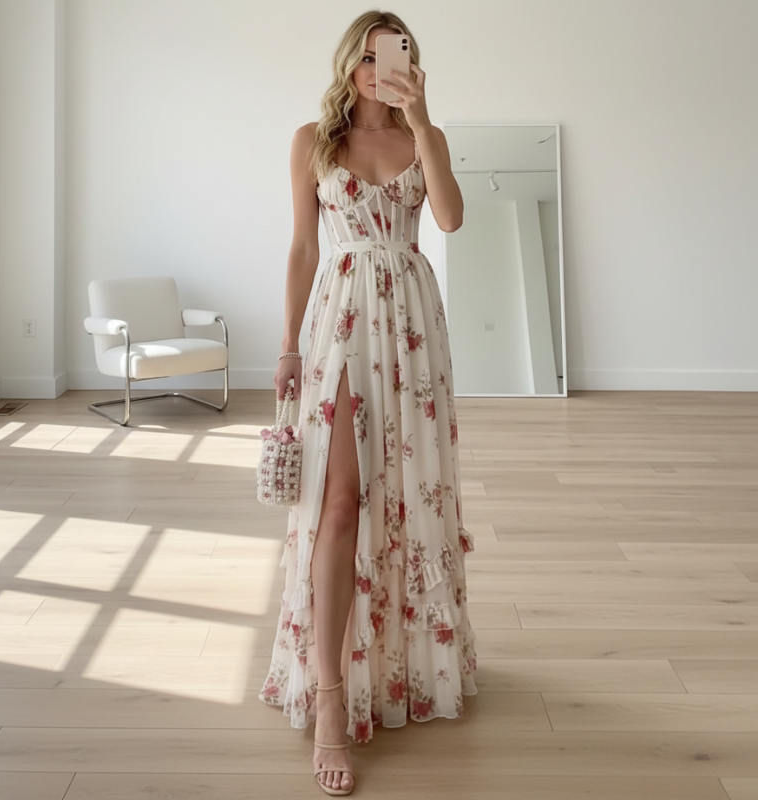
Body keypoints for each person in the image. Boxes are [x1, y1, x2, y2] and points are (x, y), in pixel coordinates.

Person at [259, 10, 477, 796]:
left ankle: (396, 668)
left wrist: (421, 122)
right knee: (339, 502)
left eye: (399, 57)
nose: (381, 69)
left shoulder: (428, 137)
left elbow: (448, 219)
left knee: (410, 504)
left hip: (413, 328)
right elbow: (302, 248)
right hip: (341, 321)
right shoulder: (312, 141)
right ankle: (327, 700)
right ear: (351, 61)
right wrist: (286, 345)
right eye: (372, 56)